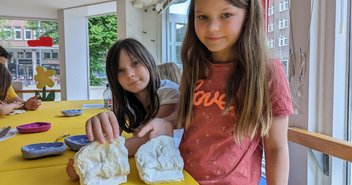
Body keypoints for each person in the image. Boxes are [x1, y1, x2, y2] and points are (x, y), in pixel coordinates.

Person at [170, 0, 293, 184]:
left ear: (249, 16)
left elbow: (276, 148)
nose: (212, 28)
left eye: (226, 15)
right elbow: (184, 116)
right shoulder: (194, 67)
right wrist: (165, 122)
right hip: (183, 179)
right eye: (202, 17)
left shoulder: (268, 72)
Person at [66, 38, 180, 180]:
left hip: (169, 170)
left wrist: (94, 161)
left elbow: (149, 138)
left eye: (135, 63)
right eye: (121, 71)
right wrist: (92, 151)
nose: (130, 74)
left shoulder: (168, 92)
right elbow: (112, 138)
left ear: (148, 60)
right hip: (144, 166)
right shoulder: (125, 100)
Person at [0, 45, 41, 110]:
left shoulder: (2, 81)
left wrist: (25, 104)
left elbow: (12, 98)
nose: (2, 70)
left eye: (3, 66)